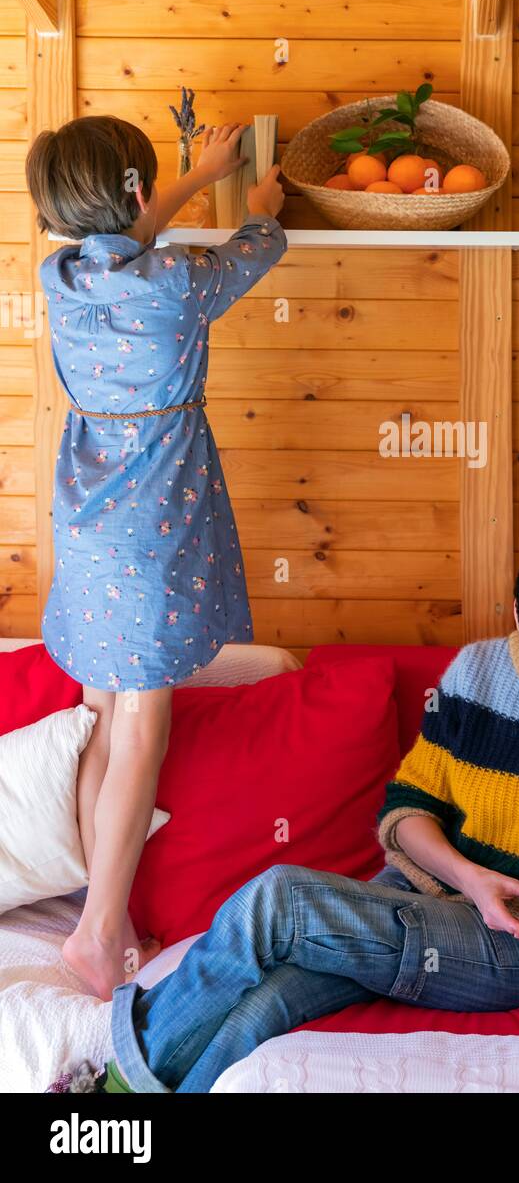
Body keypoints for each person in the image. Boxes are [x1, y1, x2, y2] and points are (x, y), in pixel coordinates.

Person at [49, 535, 519, 1094]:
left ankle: (108, 1083)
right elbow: (408, 811)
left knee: (279, 899)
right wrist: (471, 878)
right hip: (422, 898)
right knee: (268, 1004)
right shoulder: (473, 675)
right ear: (514, 616)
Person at [26, 116, 287, 1002]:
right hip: (153, 510)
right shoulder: (178, 282)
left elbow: (124, 230)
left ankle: (94, 909)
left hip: (88, 506)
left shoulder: (59, 276)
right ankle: (102, 934)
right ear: (137, 195)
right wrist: (252, 203)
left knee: (102, 704)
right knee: (141, 719)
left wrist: (189, 174)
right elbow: (255, 251)